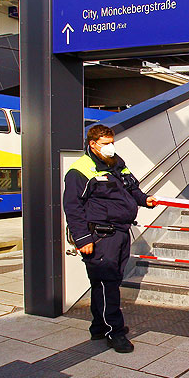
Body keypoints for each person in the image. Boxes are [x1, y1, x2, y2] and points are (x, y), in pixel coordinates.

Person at [63, 124, 156, 353]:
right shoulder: (80, 171)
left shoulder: (117, 163)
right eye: (105, 144)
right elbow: (73, 208)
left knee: (106, 282)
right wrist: (83, 239)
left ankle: (98, 327)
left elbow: (132, 188)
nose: (110, 147)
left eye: (112, 142)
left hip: (121, 232)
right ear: (92, 144)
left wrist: (145, 200)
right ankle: (114, 331)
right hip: (101, 235)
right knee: (107, 284)